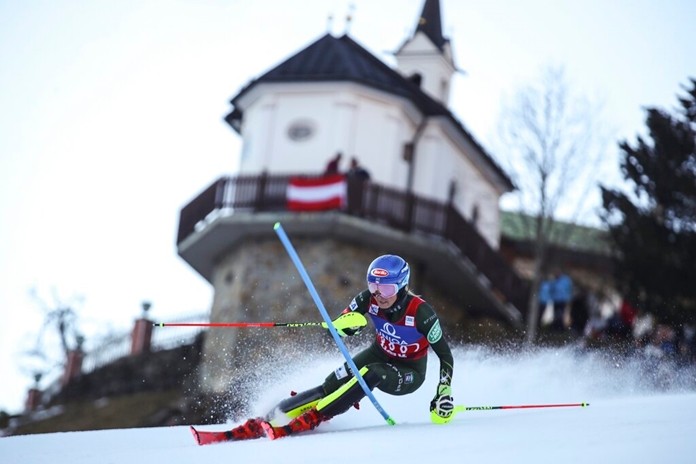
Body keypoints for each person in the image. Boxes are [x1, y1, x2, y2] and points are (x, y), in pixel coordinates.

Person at [193, 254, 455, 443]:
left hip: (409, 371)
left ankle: (313, 418)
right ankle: (268, 417)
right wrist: (344, 326)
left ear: (401, 286)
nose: (378, 294)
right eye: (373, 286)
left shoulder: (421, 312)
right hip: (380, 351)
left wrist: (443, 391)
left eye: (385, 287)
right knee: (329, 385)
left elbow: (445, 355)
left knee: (371, 372)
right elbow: (335, 327)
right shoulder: (368, 300)